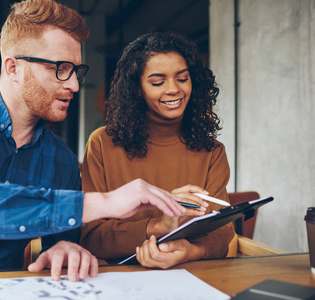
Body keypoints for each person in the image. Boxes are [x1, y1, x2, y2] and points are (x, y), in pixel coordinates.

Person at [0, 0, 187, 281]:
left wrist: (65, 251)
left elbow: (61, 247)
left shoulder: (63, 161)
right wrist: (106, 202)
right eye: (60, 69)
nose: (74, 85)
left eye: (76, 71)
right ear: (13, 67)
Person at [80, 32, 236, 268]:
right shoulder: (102, 144)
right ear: (137, 89)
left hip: (191, 276)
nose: (173, 89)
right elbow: (90, 236)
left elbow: (222, 230)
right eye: (157, 82)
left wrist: (190, 251)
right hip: (117, 277)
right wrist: (159, 226)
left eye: (182, 78)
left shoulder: (212, 152)